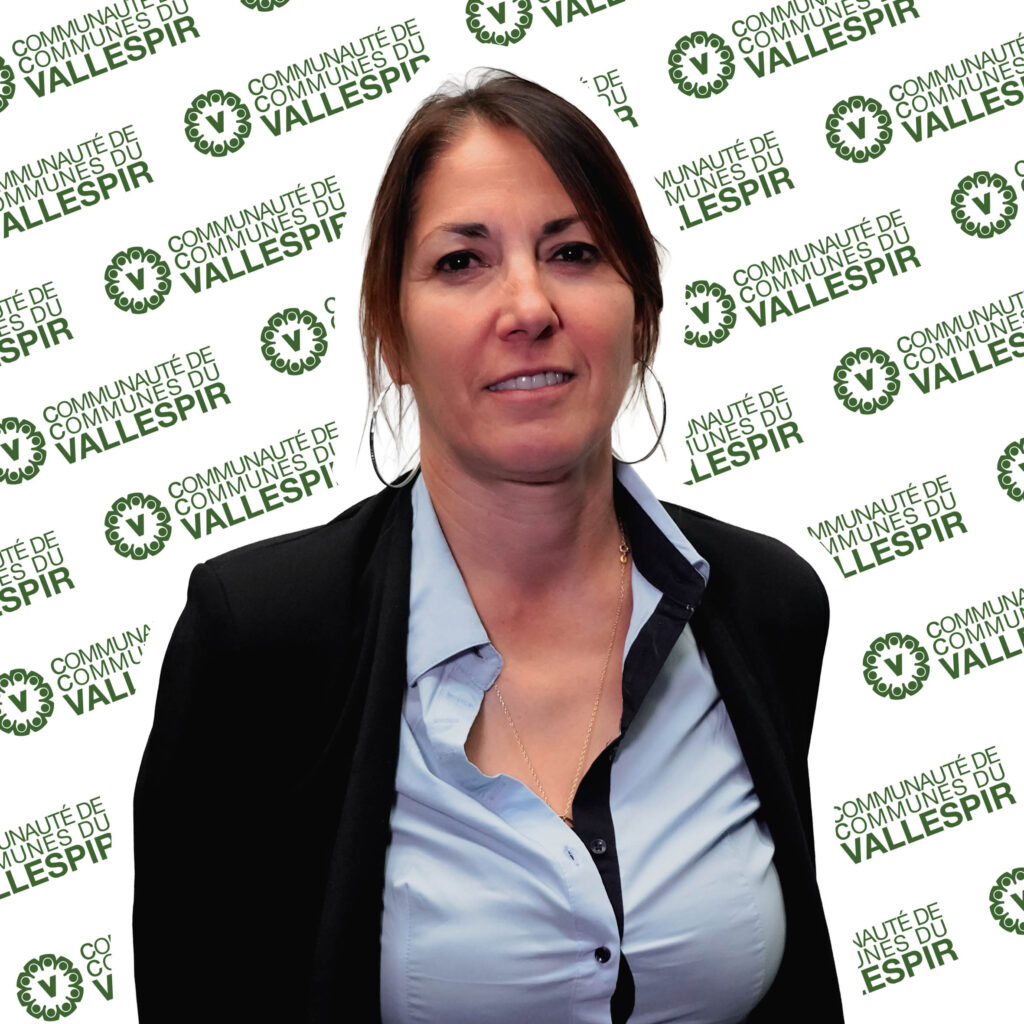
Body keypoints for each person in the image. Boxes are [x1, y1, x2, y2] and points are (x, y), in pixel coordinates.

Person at [133, 69, 844, 1023]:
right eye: (462, 262)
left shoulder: (763, 603)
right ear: (391, 333)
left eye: (575, 252)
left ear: (641, 313)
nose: (528, 307)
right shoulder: (261, 638)